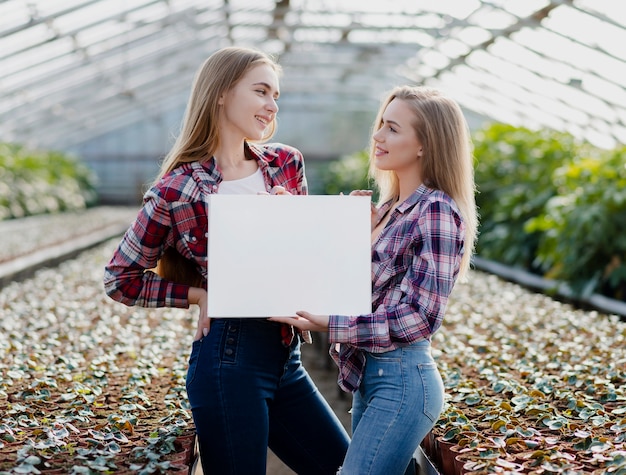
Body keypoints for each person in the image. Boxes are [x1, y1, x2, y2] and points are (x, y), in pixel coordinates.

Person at [103, 46, 350, 474]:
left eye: (276, 95)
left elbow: (303, 264)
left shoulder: (286, 164)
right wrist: (198, 293)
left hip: (286, 359)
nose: (272, 105)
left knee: (347, 467)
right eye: (261, 91)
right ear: (221, 93)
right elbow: (120, 278)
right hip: (228, 361)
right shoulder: (178, 188)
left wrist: (333, 225)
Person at [271, 85, 478, 475]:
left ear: (424, 145)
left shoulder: (436, 211)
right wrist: (297, 220)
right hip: (373, 378)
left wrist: (328, 323)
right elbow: (345, 285)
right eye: (381, 123)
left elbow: (419, 318)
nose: (378, 135)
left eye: (393, 128)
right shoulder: (387, 211)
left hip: (403, 382)